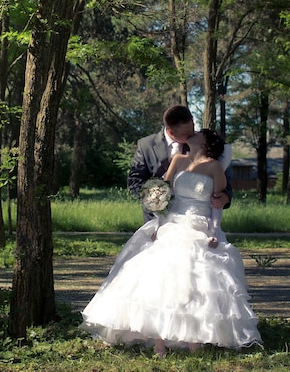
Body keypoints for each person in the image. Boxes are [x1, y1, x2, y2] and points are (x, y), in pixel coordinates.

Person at [81, 129, 262, 356]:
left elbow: (217, 202)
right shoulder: (178, 159)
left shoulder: (214, 167)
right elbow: (164, 193)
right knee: (162, 279)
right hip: (173, 223)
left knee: (196, 282)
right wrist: (158, 222)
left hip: (199, 224)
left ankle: (194, 337)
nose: (192, 134)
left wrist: (214, 231)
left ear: (206, 142)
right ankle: (159, 340)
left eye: (198, 134)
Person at [127, 105, 233, 222]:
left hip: (197, 220)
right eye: (187, 133)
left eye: (193, 128)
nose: (192, 134)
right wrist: (153, 198)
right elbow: (135, 180)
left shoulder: (201, 142)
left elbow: (223, 177)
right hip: (154, 219)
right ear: (171, 132)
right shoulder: (146, 145)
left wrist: (226, 197)